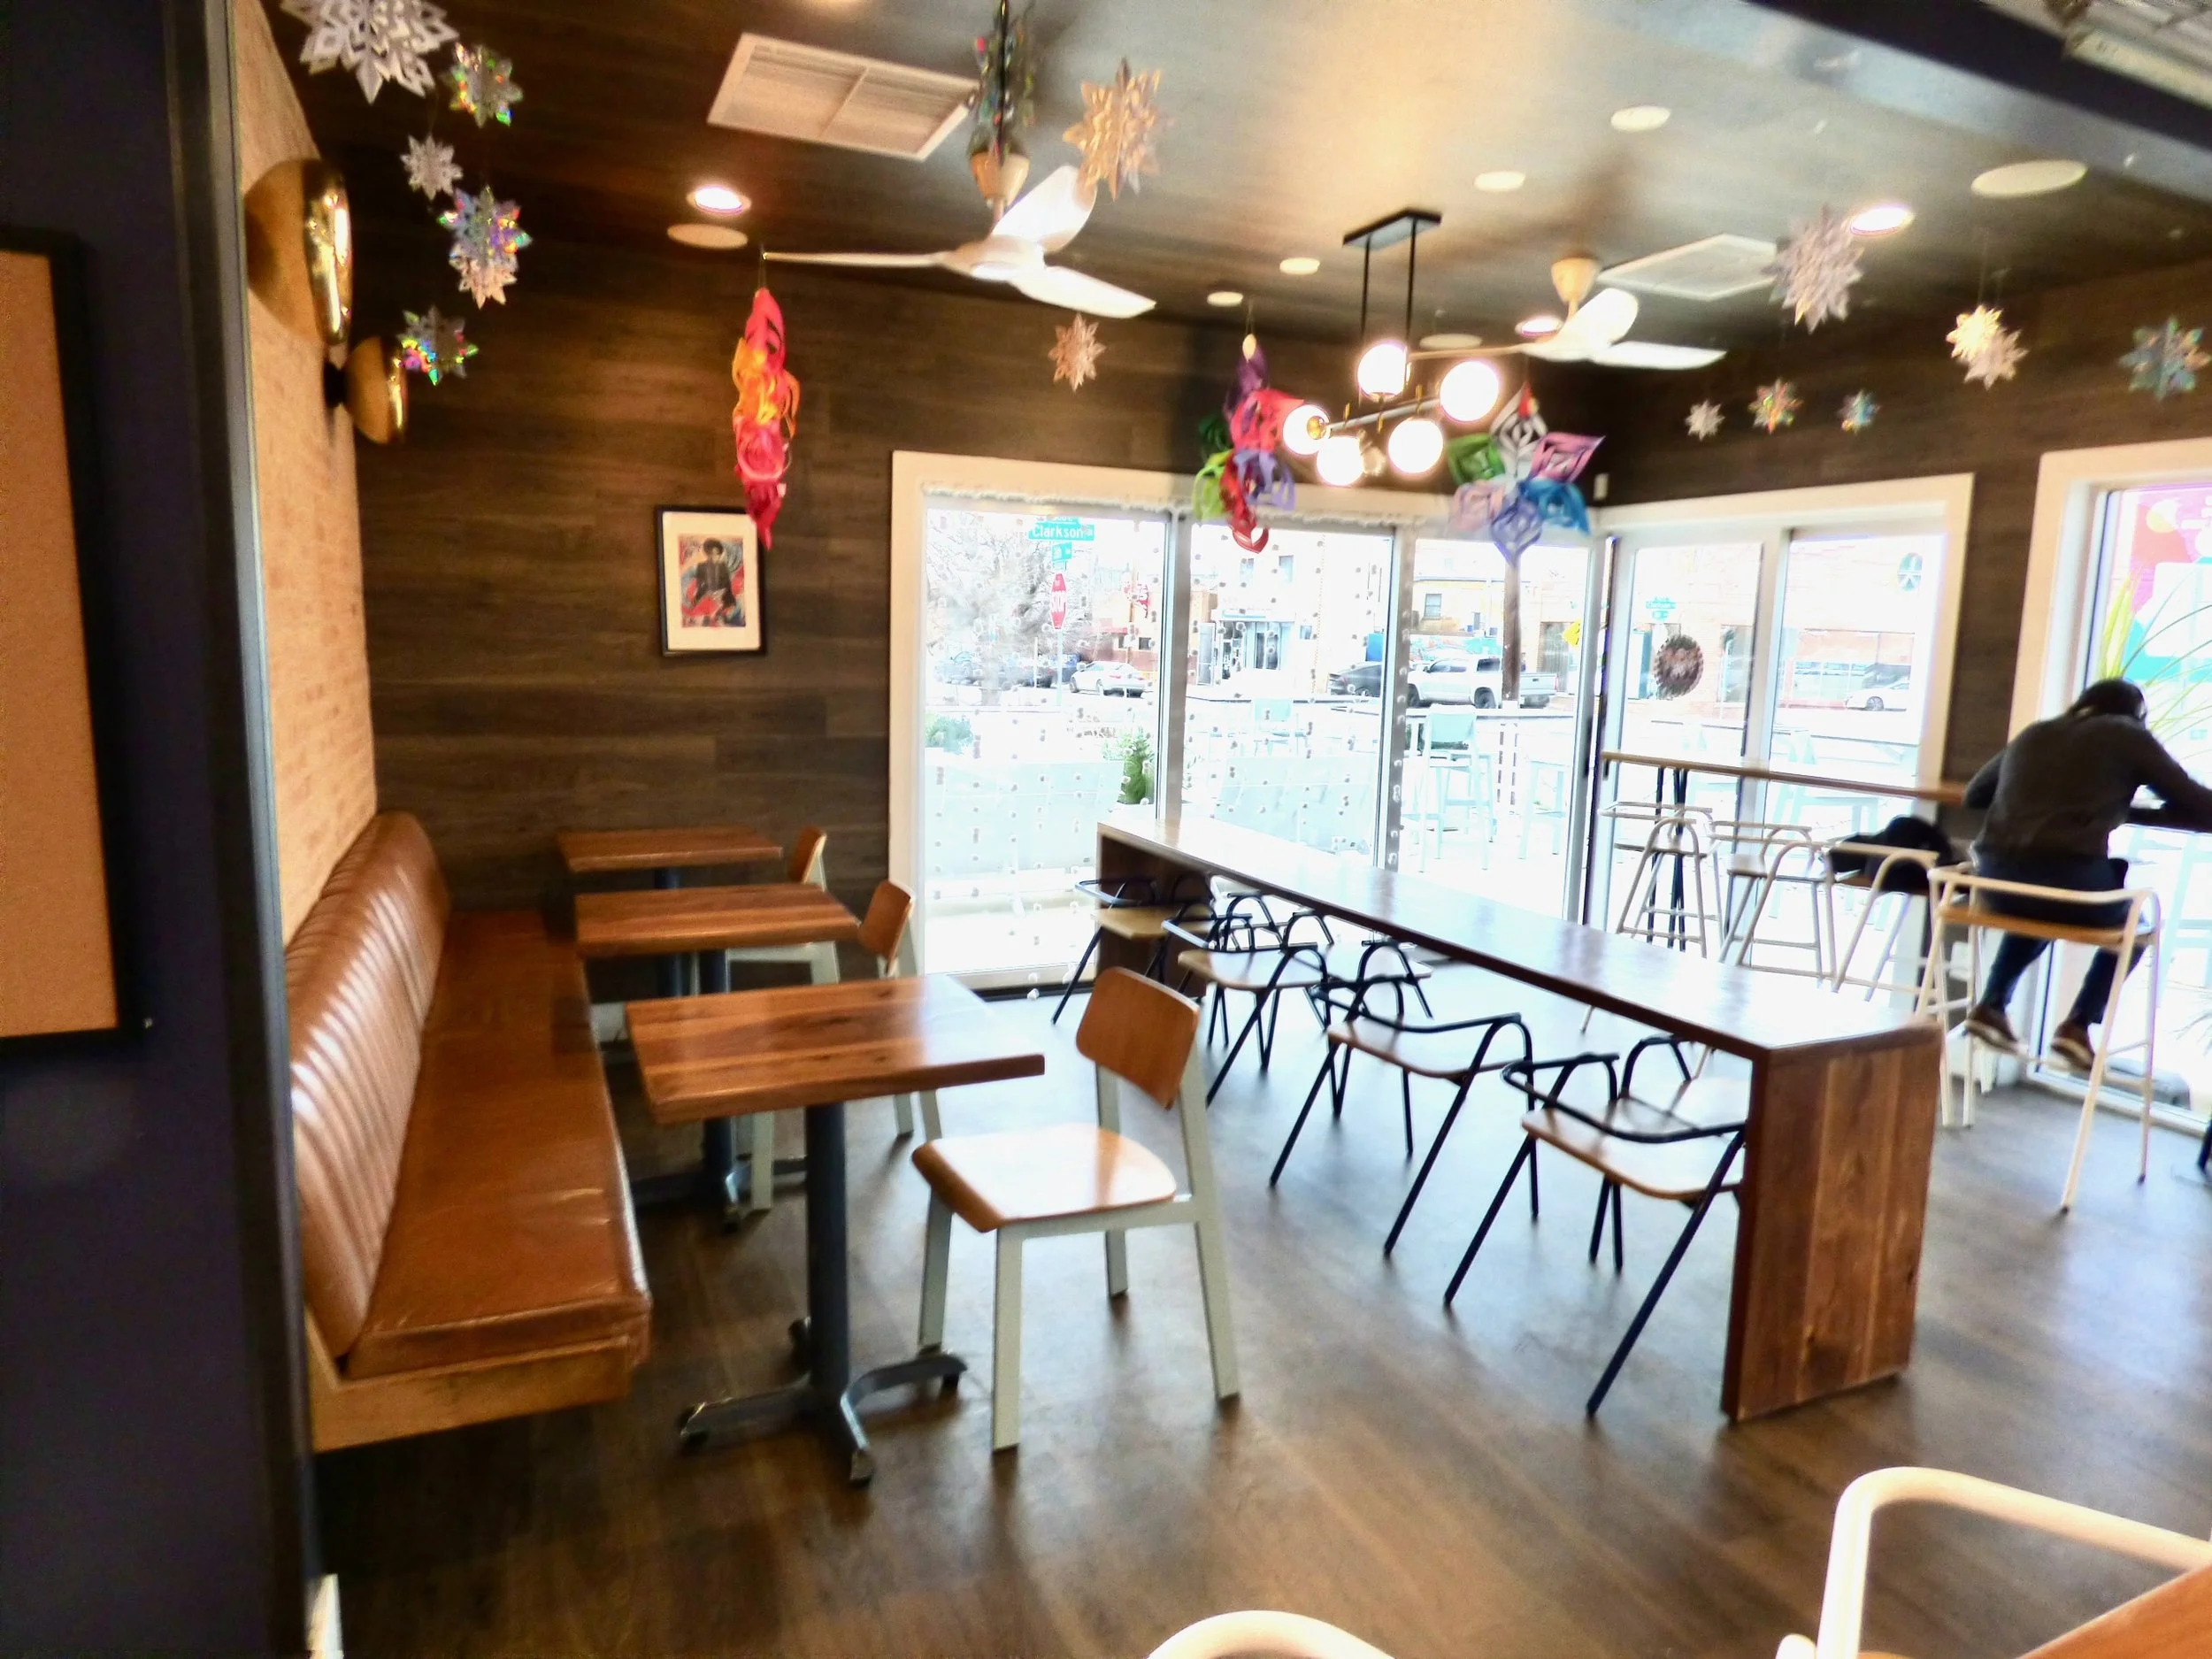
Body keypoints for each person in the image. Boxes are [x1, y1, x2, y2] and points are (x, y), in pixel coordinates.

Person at [1960, 679, 2212, 1069]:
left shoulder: (2038, 732)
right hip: (2068, 883)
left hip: (1995, 882)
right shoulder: (2128, 735)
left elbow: (1975, 794)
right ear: (2137, 715)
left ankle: (1991, 1005)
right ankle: (2077, 1026)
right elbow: (2196, 801)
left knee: (2039, 899)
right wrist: (2121, 807)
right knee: (2135, 923)